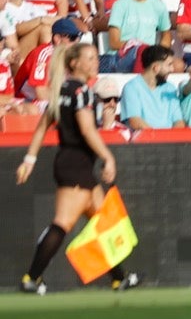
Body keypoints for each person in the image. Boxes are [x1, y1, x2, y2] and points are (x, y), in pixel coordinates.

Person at [16, 42, 139, 294]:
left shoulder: (62, 90)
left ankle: (120, 277)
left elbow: (41, 128)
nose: (95, 62)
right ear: (74, 63)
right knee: (62, 223)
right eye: (90, 58)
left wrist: (29, 160)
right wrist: (108, 157)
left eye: (95, 57)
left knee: (103, 222)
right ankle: (31, 277)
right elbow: (87, 130)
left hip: (73, 164)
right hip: (76, 166)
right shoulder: (81, 91)